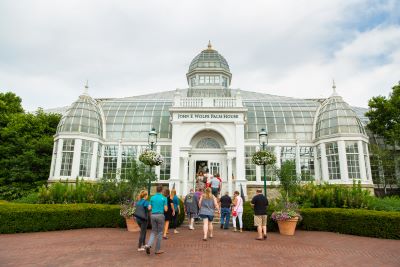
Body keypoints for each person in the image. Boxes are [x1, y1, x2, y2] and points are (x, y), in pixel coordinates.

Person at [145, 185, 168, 255]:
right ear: (162, 190)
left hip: (153, 215)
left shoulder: (152, 197)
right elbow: (166, 209)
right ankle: (157, 250)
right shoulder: (164, 198)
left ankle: (148, 245)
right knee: (160, 233)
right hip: (160, 215)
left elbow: (149, 208)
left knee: (153, 231)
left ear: (156, 190)